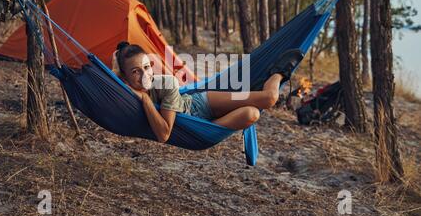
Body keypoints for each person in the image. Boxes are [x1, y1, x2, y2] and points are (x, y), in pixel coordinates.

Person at [112, 41, 303, 143]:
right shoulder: (123, 88)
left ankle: (277, 73)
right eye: (136, 71)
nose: (145, 75)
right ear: (125, 77)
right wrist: (143, 96)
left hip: (204, 103)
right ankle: (216, 124)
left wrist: (144, 97)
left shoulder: (166, 83)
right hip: (204, 126)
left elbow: (163, 133)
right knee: (251, 114)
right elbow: (109, 77)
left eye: (147, 67)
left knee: (268, 98)